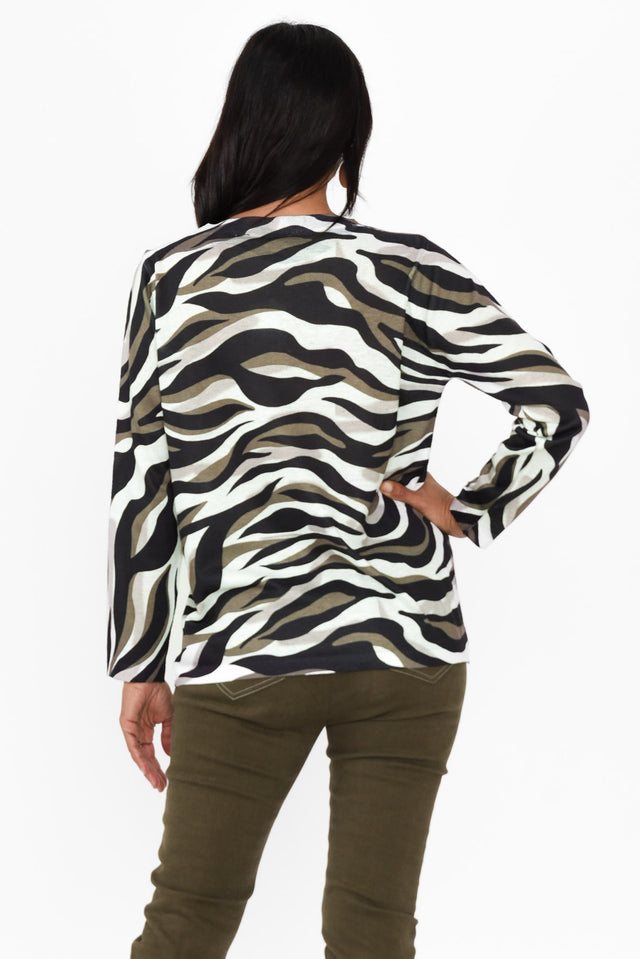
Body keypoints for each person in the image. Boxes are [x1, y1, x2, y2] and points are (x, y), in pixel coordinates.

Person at [106, 20, 590, 959]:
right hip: (406, 647)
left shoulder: (172, 279)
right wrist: (472, 508)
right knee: (373, 934)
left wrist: (142, 658)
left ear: (241, 124)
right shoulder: (407, 268)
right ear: (345, 136)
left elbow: (143, 486)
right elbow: (556, 402)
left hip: (242, 644)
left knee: (185, 923)